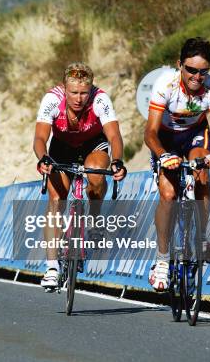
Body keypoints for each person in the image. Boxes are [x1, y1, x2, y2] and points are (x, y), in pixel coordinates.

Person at [144, 37, 210, 292]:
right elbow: (149, 132)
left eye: (203, 71)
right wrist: (162, 155)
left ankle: (202, 238)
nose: (197, 76)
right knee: (168, 194)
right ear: (179, 65)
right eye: (191, 70)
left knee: (202, 170)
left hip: (194, 136)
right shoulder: (166, 84)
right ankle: (161, 260)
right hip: (165, 140)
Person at [34, 62, 127, 290]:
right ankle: (52, 267)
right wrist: (43, 158)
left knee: (96, 177)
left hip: (93, 144)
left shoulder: (100, 99)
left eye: (84, 93)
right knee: (56, 201)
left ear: (91, 89)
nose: (79, 98)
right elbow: (39, 138)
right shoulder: (52, 99)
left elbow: (114, 135)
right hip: (61, 147)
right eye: (73, 92)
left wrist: (117, 160)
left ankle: (94, 217)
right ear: (64, 88)